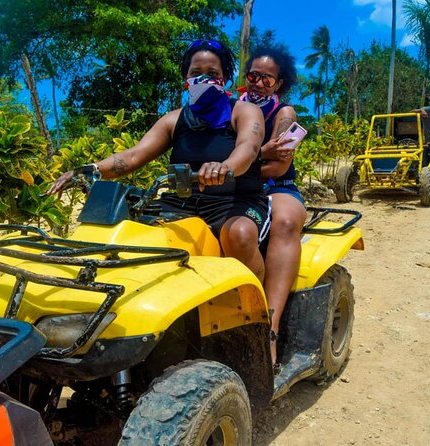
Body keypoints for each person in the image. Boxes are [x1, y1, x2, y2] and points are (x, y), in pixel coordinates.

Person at [48, 39, 269, 281]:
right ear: (186, 78)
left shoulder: (244, 111)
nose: (203, 79)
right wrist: (88, 170)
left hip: (234, 202)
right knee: (137, 234)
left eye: (212, 73)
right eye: (196, 73)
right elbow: (132, 155)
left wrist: (224, 167)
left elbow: (248, 148)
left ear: (225, 78)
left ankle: (259, 310)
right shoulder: (173, 120)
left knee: (240, 235)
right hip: (181, 203)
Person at [239, 47, 305, 368]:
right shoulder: (233, 108)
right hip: (236, 184)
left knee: (284, 222)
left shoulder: (286, 116)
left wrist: (240, 167)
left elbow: (279, 167)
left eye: (267, 78)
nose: (258, 83)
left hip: (276, 188)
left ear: (278, 84)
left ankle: (271, 328)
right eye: (253, 76)